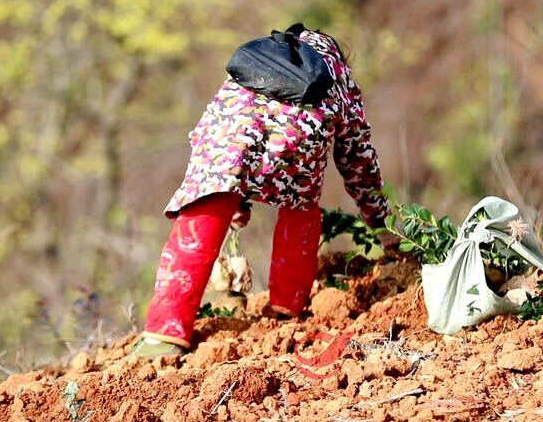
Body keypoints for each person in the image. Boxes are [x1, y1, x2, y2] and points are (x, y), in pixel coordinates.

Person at [132, 27, 394, 357]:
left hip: (224, 139)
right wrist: (381, 223)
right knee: (301, 205)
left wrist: (231, 193)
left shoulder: (259, 55)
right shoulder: (336, 72)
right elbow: (357, 155)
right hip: (297, 141)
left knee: (204, 213)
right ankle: (287, 308)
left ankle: (163, 336)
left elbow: (236, 122)